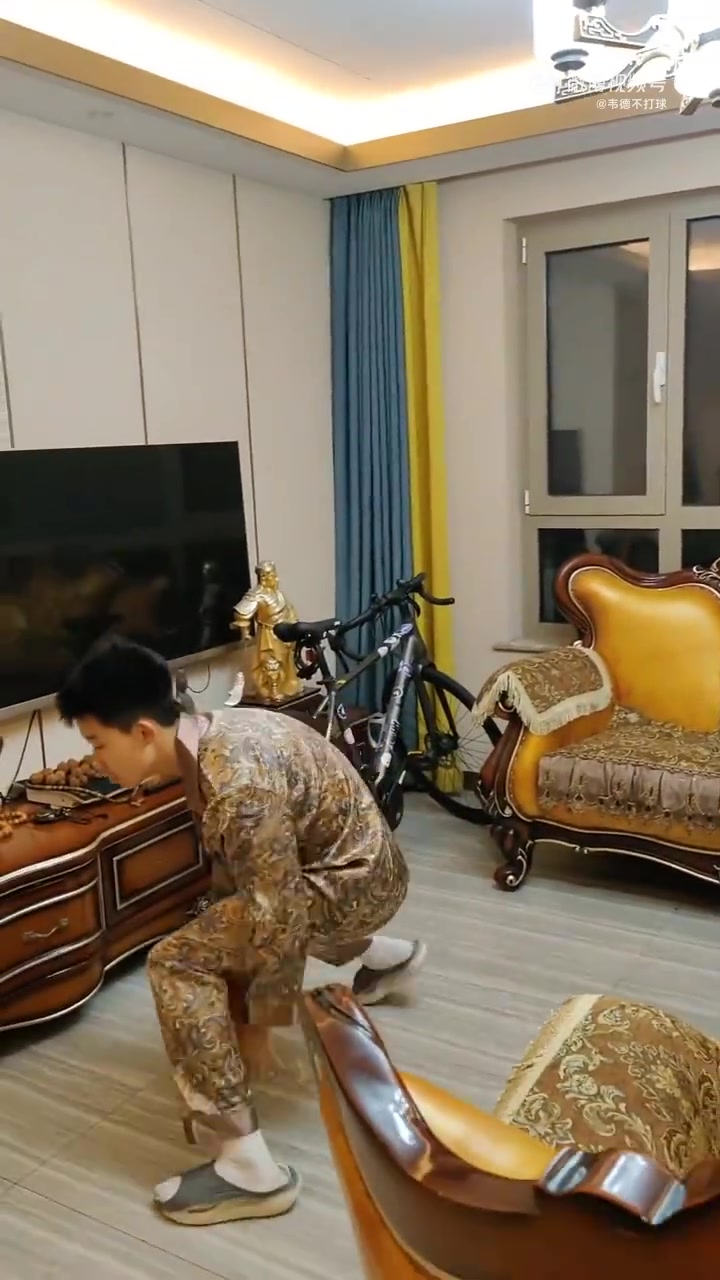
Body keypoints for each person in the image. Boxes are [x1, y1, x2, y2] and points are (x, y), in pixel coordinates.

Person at [56, 637, 425, 1227]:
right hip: (361, 867)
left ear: (144, 732)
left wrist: (259, 1023)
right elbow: (251, 882)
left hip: (353, 884)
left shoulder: (237, 784)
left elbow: (276, 911)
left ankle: (247, 1167)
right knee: (227, 918)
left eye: (99, 744)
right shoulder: (213, 732)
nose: (96, 761)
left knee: (176, 960)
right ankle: (386, 959)